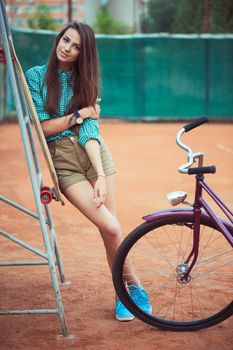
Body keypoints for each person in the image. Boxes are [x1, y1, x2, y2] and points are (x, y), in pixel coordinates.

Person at [25, 22, 151, 321]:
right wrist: (79, 114)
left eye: (76, 45)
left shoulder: (87, 80)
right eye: (65, 40)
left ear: (84, 52)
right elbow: (43, 128)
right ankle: (133, 287)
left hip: (94, 156)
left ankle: (123, 294)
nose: (67, 47)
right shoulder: (35, 76)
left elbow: (90, 130)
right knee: (111, 228)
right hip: (64, 164)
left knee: (111, 231)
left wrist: (101, 176)